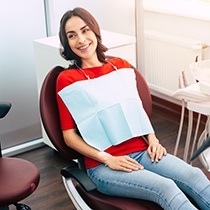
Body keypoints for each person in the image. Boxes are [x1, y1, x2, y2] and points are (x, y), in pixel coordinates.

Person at [56, 7, 210, 210]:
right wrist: (107, 158)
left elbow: (136, 109)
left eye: (85, 30)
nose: (81, 40)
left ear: (95, 31)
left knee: (194, 175)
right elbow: (69, 136)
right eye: (72, 35)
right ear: (67, 42)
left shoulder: (121, 66)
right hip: (103, 166)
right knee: (166, 188)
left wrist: (153, 139)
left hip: (142, 151)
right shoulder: (67, 80)